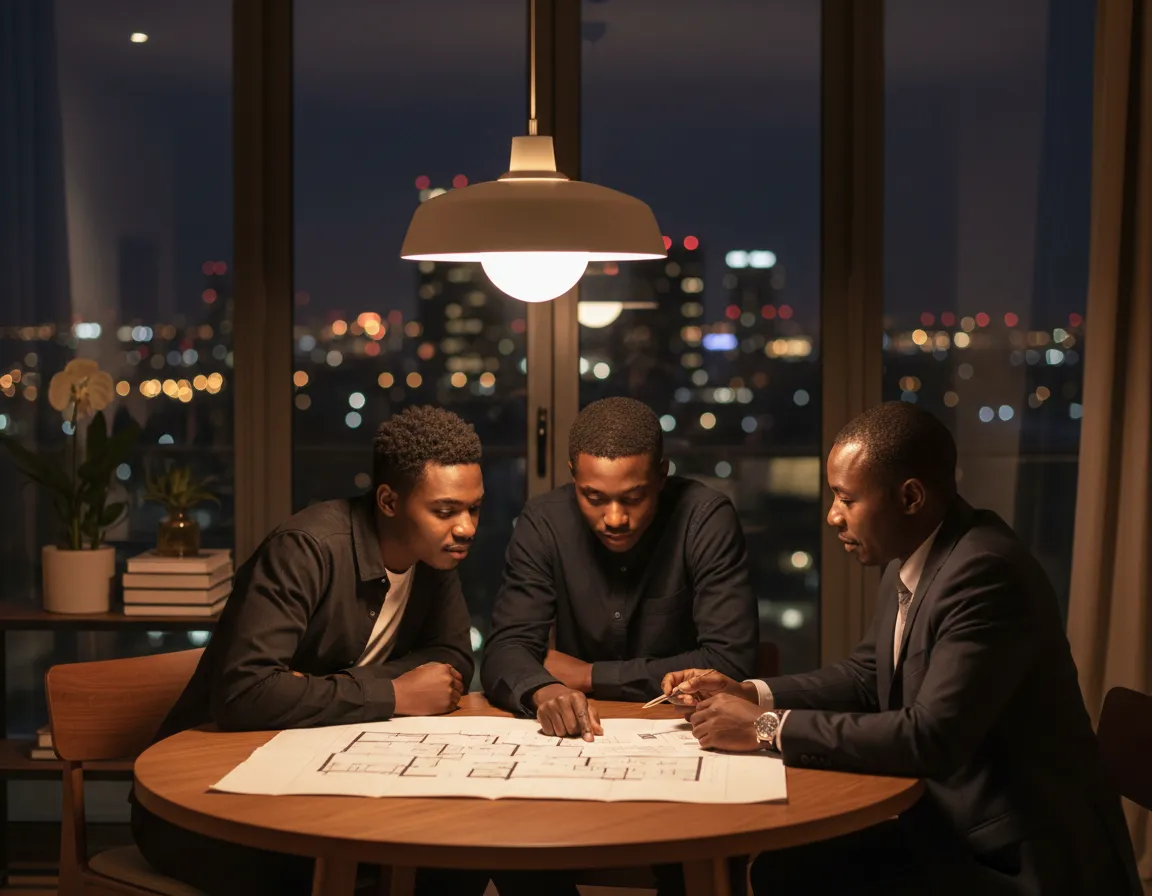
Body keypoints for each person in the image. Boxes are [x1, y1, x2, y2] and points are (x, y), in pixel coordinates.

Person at [662, 401, 1141, 896]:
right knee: (781, 869)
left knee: (793, 876)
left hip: (1019, 858)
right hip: (951, 827)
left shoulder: (985, 573)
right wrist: (749, 692)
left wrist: (765, 729)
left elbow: (929, 738)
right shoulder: (914, 555)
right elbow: (866, 675)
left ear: (910, 497)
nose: (832, 516)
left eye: (847, 499)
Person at [130, 406, 484, 896]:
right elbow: (246, 693)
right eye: (445, 511)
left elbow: (452, 661)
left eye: (474, 509)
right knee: (348, 869)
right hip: (202, 806)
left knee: (455, 858)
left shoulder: (435, 555)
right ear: (388, 500)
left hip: (319, 783)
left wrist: (318, 689)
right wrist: (393, 694)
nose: (466, 527)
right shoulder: (307, 548)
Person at [479, 396, 758, 896]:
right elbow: (505, 649)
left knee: (700, 860)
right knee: (513, 844)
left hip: (685, 740)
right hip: (579, 743)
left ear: (662, 476)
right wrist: (543, 690)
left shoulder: (705, 517)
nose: (613, 518)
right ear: (571, 476)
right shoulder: (544, 522)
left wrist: (587, 675)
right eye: (593, 497)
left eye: (633, 498)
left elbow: (729, 661)